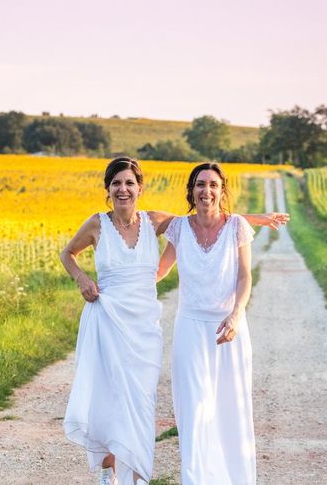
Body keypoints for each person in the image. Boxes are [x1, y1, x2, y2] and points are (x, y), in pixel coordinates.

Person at [60, 157, 287, 485]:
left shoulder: (157, 222)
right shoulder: (111, 224)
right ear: (108, 189)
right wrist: (85, 280)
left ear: (140, 188)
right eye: (116, 183)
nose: (123, 189)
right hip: (117, 319)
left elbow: (216, 223)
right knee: (115, 398)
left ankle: (141, 475)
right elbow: (72, 255)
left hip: (153, 328)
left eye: (129, 183)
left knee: (146, 401)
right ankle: (116, 472)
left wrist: (258, 221)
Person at [159, 162, 261, 485]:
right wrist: (119, 287)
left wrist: (236, 313)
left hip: (228, 331)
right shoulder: (178, 229)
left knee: (229, 409)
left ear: (222, 190)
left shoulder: (237, 227)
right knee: (194, 410)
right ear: (191, 191)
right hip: (189, 330)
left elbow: (245, 277)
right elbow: (158, 273)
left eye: (213, 185)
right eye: (200, 185)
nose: (206, 191)